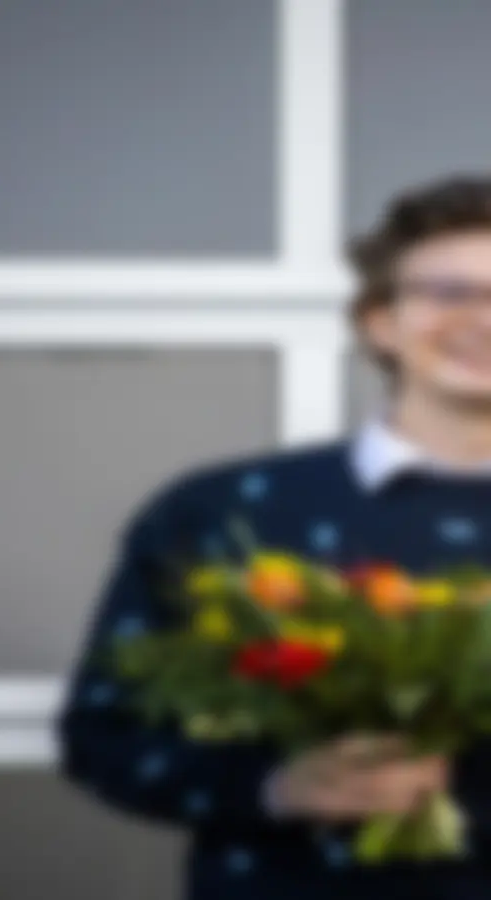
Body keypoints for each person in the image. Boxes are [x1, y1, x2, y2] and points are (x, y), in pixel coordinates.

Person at [58, 173, 491, 900]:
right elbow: (107, 737)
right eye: (447, 292)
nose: (480, 318)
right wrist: (278, 787)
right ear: (378, 320)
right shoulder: (227, 514)